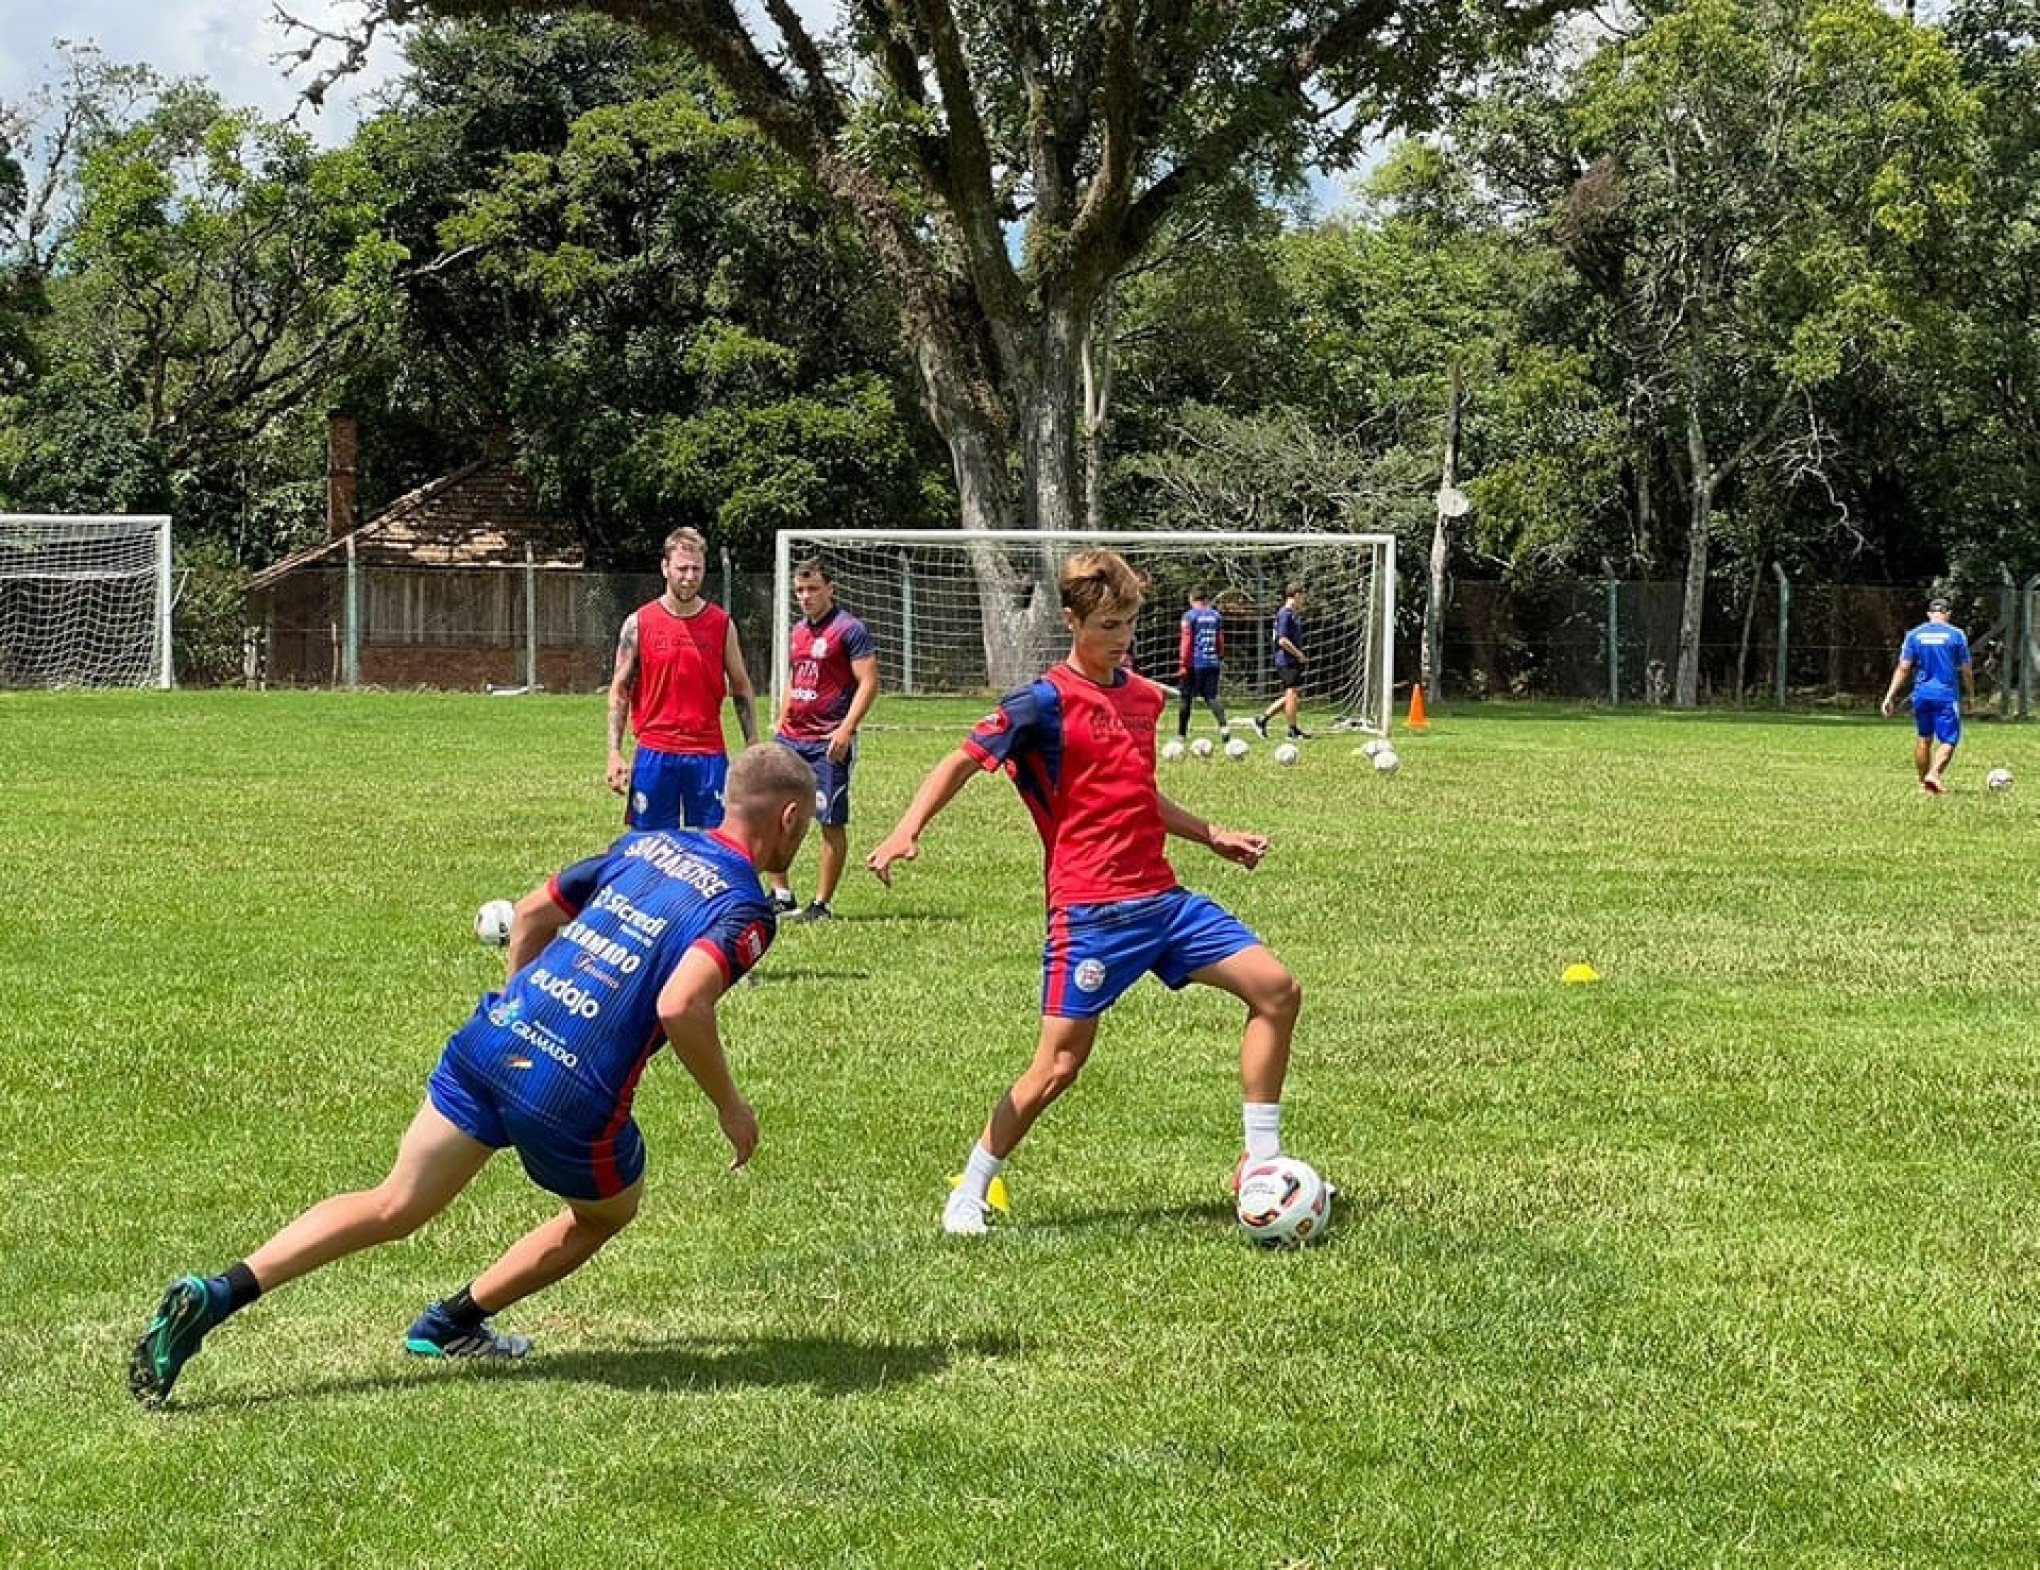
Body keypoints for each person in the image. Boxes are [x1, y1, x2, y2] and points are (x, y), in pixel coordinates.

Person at [128, 744, 818, 1408]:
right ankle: (454, 1321)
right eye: (807, 823)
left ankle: (219, 1293)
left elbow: (530, 913)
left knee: (393, 1203)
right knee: (606, 1212)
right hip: (569, 1094)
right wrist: (730, 1106)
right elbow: (681, 1003)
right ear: (787, 817)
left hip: (489, 1041)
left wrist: (521, 1002)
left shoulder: (643, 845)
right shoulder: (743, 907)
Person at [864, 549, 1306, 1237]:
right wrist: (905, 830)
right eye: (1107, 624)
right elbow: (960, 760)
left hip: (1163, 900)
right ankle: (971, 1186)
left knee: (1276, 989)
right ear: (1072, 621)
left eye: (1129, 621)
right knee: (1060, 1064)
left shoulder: (1140, 697)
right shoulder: (1040, 703)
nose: (1121, 636)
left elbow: (1135, 793)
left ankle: (1263, 1161)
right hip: (1091, 912)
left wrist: (1210, 833)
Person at [606, 526, 759, 831]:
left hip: (707, 754)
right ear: (665, 568)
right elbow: (620, 690)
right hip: (654, 752)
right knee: (649, 847)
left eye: (696, 569)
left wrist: (753, 744)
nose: (689, 576)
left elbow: (741, 686)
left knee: (715, 847)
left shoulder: (721, 625)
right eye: (682, 568)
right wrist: (614, 752)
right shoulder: (639, 623)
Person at [768, 558, 880, 922]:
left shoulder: (850, 630)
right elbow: (794, 680)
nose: (806, 596)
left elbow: (869, 683)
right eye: (800, 590)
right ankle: (782, 894)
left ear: (830, 589)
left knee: (829, 818)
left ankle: (821, 904)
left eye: (813, 588)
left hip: (827, 740)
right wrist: (781, 725)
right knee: (773, 813)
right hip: (791, 738)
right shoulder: (798, 632)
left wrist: (847, 729)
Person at [1881, 594, 1974, 794]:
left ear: (1929, 614)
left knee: (1924, 737)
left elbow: (1904, 668)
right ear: (1948, 614)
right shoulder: (1956, 634)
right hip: (1945, 694)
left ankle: (1924, 784)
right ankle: (1933, 775)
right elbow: (1966, 669)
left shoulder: (1914, 635)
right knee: (1949, 740)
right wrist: (1971, 694)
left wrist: (1889, 696)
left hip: (1921, 694)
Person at [1250, 582, 1311, 742]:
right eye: (1303, 596)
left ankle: (1262, 720)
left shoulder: (1292, 614)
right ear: (1296, 595)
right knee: (1291, 693)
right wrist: (1299, 654)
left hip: (1291, 660)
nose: (1304, 600)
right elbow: (1282, 640)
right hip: (1286, 660)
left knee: (1291, 695)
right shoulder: (1285, 614)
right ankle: (1292, 731)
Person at [1176, 587, 1229, 739]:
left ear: (1191, 599)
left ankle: (1181, 734)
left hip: (1194, 663)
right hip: (1212, 662)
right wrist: (1219, 656)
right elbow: (1220, 639)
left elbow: (1186, 641)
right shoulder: (1215, 615)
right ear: (1206, 600)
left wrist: (1183, 664)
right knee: (1212, 696)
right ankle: (1224, 728)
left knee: (1186, 697)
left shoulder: (1189, 616)